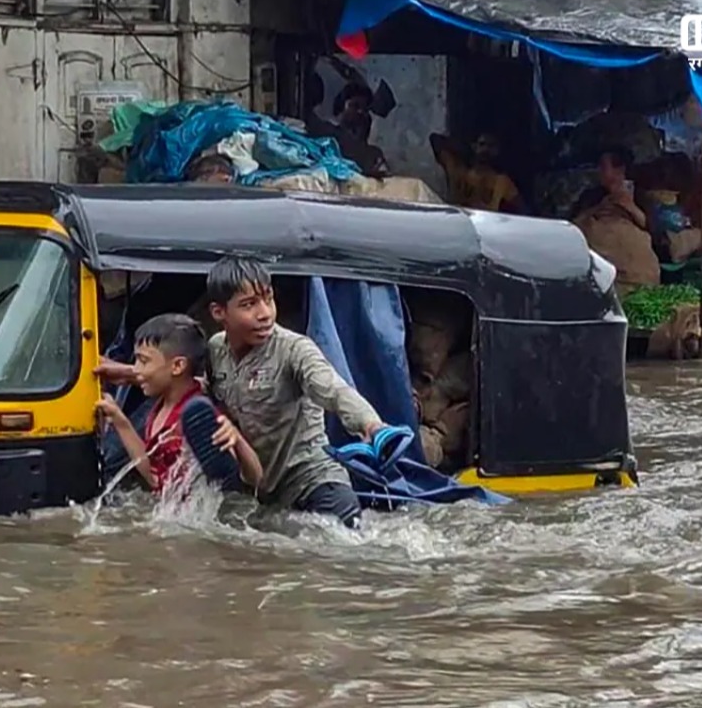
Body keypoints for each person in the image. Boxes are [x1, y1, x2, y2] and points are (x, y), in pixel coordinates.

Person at [96, 258, 389, 529]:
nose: (264, 314)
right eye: (249, 304)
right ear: (219, 312)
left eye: (268, 299)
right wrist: (127, 373)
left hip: (312, 481)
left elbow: (334, 389)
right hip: (259, 493)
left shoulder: (294, 350)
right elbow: (186, 381)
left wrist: (371, 426)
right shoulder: (216, 349)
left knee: (351, 539)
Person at [96, 313, 263, 495]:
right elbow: (154, 478)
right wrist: (119, 419)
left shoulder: (199, 417)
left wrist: (236, 439)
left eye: (143, 361)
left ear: (177, 366)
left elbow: (254, 477)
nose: (135, 369)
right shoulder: (160, 408)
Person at [429, 131, 525, 213]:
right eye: (482, 144)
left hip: (487, 227)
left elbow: (522, 209)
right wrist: (462, 146)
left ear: (497, 151)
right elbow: (435, 140)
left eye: (491, 146)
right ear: (474, 147)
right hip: (455, 221)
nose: (486, 149)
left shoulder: (502, 181)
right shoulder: (459, 172)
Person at [568, 145, 647, 229]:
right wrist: (600, 207)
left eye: (603, 166)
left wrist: (629, 205)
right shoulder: (589, 197)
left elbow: (653, 229)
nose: (599, 170)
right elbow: (573, 224)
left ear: (620, 169)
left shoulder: (641, 197)